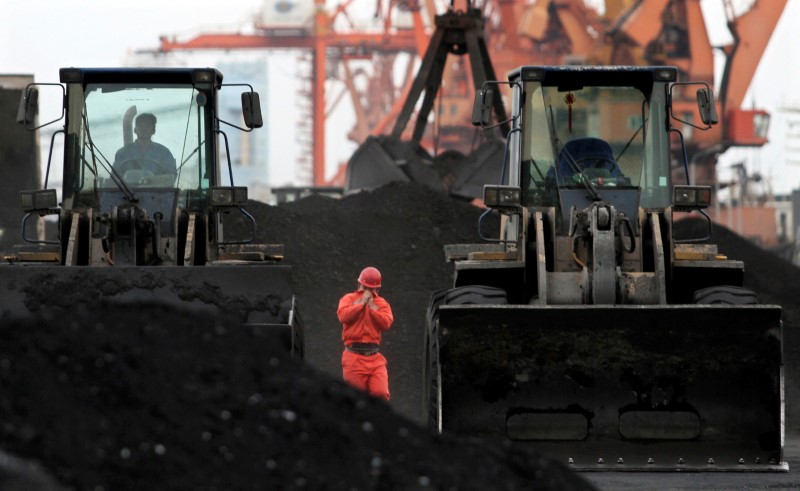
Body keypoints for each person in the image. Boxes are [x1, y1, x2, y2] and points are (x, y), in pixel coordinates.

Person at [337, 266, 394, 400]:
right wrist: (361, 304)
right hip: (353, 357)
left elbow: (386, 323)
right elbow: (343, 316)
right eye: (365, 288)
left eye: (371, 289)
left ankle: (377, 420)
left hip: (375, 357)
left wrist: (373, 309)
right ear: (359, 285)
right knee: (355, 400)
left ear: (378, 289)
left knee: (381, 394)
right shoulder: (348, 299)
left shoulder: (382, 303)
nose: (368, 292)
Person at [113, 113, 177, 181]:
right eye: (140, 126)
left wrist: (153, 181)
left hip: (156, 191)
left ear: (153, 130)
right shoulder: (122, 153)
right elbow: (114, 179)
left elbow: (170, 177)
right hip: (126, 191)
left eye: (147, 126)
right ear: (135, 130)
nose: (143, 129)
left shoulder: (164, 153)